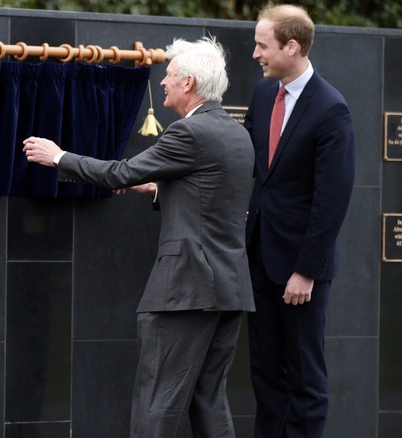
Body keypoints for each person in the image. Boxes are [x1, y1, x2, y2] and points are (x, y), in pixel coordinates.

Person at [23, 36, 254, 437]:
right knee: (208, 397)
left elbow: (120, 172)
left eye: (170, 75)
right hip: (228, 288)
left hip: (185, 290)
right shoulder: (237, 135)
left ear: (189, 84)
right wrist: (159, 188)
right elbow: (209, 196)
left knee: (158, 398)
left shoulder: (189, 133)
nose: (162, 82)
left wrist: (58, 156)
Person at [243, 4, 355, 437]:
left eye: (261, 45)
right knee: (266, 376)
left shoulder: (332, 109)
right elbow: (246, 162)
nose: (256, 54)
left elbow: (332, 202)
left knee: (305, 378)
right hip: (258, 260)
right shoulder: (262, 92)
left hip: (300, 272)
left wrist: (305, 271)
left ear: (292, 46)